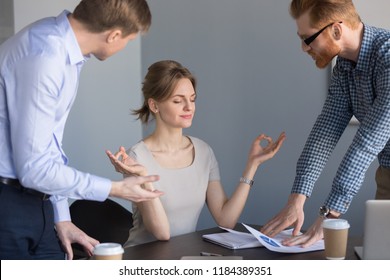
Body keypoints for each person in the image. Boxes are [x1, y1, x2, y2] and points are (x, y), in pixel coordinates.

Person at [0, 0, 163, 260]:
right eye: (128, 40)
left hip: (38, 203)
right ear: (114, 35)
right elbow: (35, 169)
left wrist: (61, 217)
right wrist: (114, 188)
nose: (124, 47)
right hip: (8, 207)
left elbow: (49, 147)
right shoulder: (44, 57)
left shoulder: (66, 53)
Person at [106, 60, 286, 247]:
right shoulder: (136, 158)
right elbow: (162, 232)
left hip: (182, 258)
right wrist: (144, 176)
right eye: (178, 100)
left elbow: (226, 220)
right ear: (154, 105)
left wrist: (252, 165)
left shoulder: (203, 152)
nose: (189, 107)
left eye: (192, 99)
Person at [262, 0, 390, 247]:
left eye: (308, 39)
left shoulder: (388, 57)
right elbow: (325, 131)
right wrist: (296, 200)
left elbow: (368, 141)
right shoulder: (344, 67)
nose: (303, 47)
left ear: (336, 30)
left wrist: (329, 214)